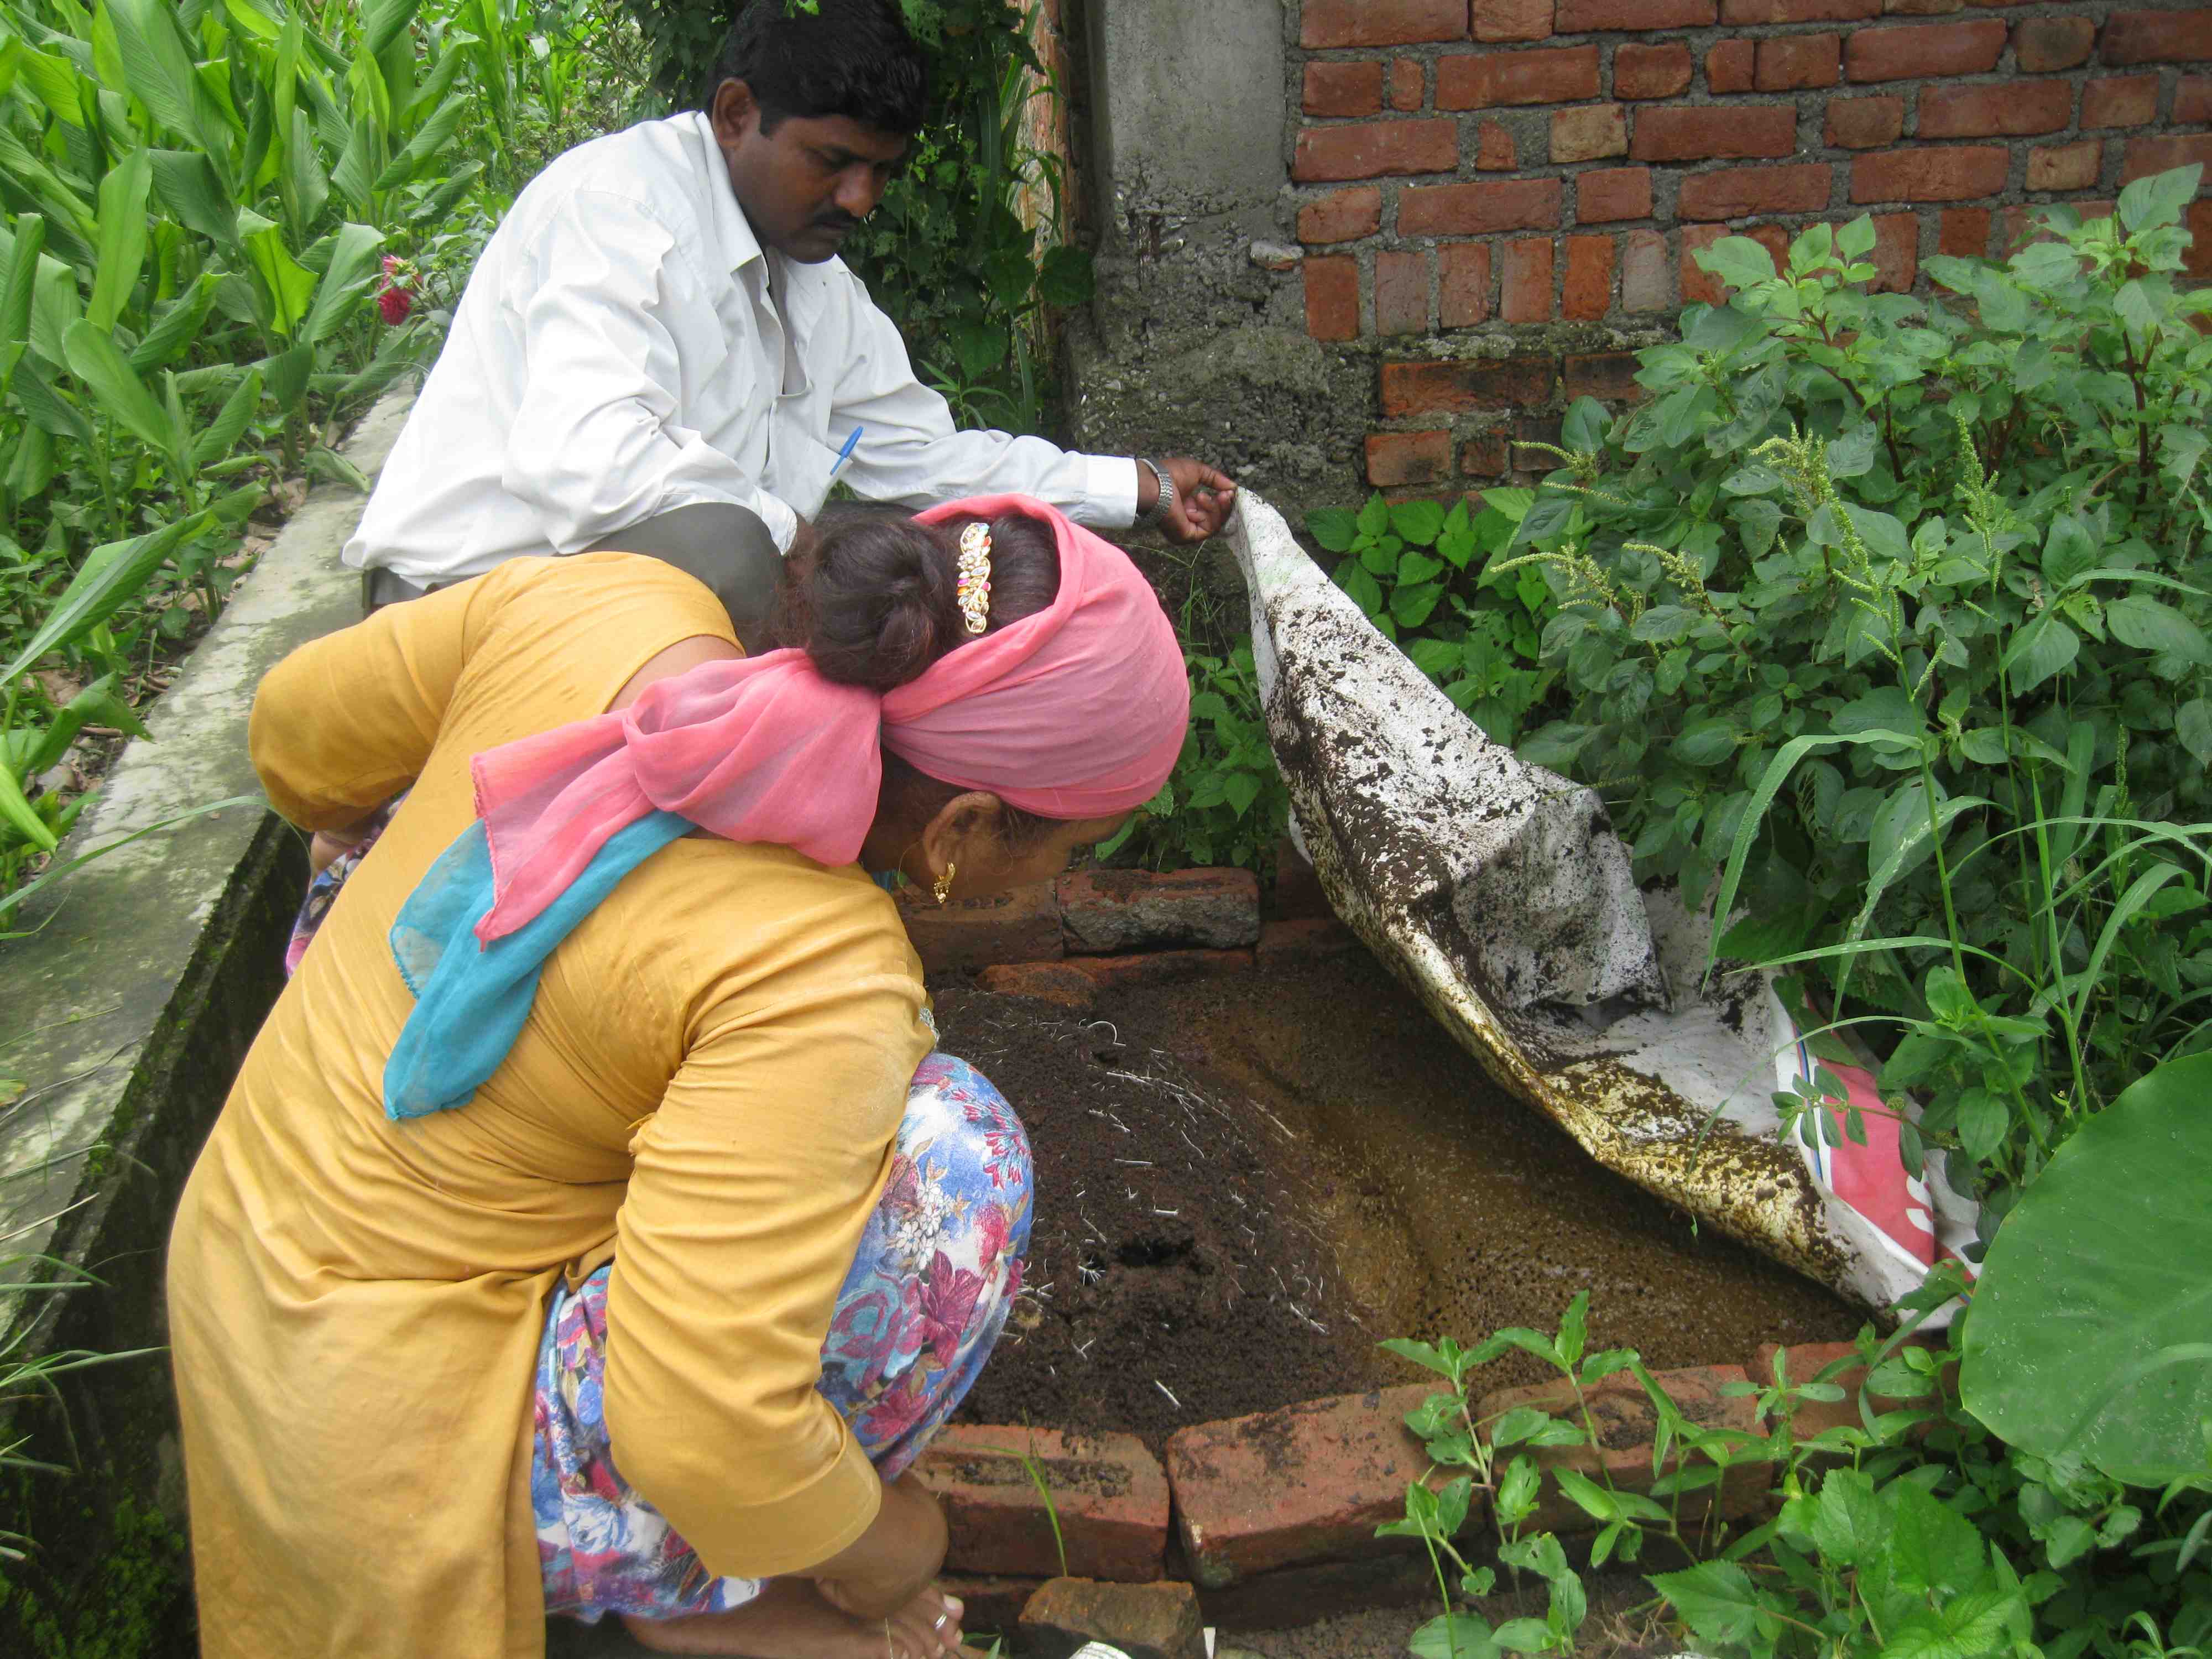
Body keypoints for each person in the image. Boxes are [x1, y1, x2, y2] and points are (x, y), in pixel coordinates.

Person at [167, 496, 1189, 1659]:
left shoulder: (602, 600)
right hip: (376, 1450)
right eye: (1072, 847)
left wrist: (365, 835)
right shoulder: (817, 976)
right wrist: (887, 1542)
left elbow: (294, 734)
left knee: (425, 826)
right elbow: (700, 1430)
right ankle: (681, 1598)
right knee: (960, 1155)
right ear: (960, 830)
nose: (1061, 880)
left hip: (237, 1257)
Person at [343, 0, 1236, 643]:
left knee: (897, 555)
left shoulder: (815, 284)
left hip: (616, 608)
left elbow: (931, 465)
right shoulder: (615, 211)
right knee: (748, 549)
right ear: (737, 115)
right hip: (456, 605)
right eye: (834, 162)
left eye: (881, 172)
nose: (861, 199)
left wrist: (1140, 488)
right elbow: (589, 464)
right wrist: (798, 541)